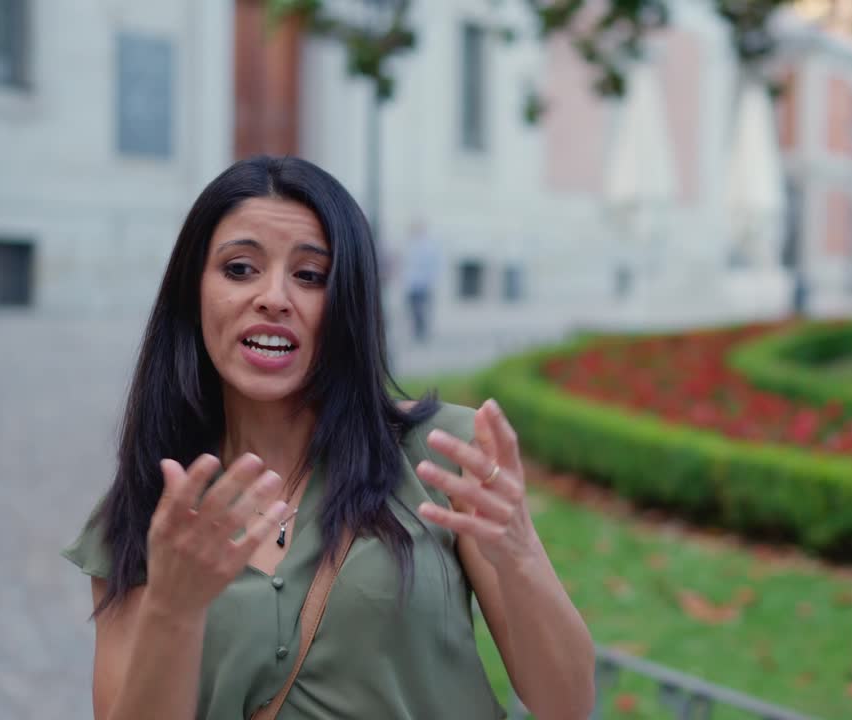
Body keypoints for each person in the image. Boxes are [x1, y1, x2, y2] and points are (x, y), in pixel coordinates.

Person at [63, 156, 595, 720]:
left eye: (311, 276)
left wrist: (519, 553)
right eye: (240, 269)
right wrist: (173, 610)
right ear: (193, 294)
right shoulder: (148, 511)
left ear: (348, 303)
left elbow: (567, 703)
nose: (273, 297)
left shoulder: (441, 455)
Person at [403, 219, 442, 342]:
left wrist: (430, 280)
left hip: (423, 284)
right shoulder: (410, 244)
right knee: (414, 310)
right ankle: (417, 331)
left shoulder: (428, 246)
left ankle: (422, 333)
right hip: (412, 284)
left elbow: (433, 266)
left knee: (421, 309)